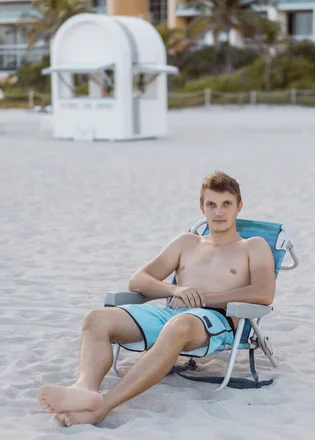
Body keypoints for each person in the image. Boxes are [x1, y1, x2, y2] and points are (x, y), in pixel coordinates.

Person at [37, 171, 276, 426]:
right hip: (173, 312)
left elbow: (264, 292)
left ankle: (103, 405)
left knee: (180, 324)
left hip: (215, 320)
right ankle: (84, 389)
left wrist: (205, 297)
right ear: (202, 208)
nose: (219, 212)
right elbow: (138, 280)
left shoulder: (253, 245)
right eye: (211, 204)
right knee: (97, 318)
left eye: (226, 204)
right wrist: (175, 291)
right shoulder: (187, 242)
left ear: (239, 207)